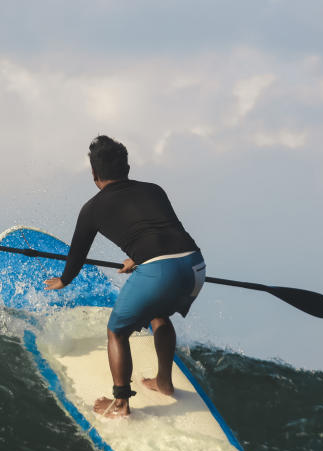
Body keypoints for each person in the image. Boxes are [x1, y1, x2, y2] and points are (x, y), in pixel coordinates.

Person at [44, 135, 206, 418]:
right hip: (194, 266)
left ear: (94, 174)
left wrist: (64, 280)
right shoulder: (154, 190)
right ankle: (164, 382)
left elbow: (77, 255)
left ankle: (120, 404)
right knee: (159, 315)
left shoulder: (92, 208)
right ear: (127, 167)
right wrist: (139, 259)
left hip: (160, 271)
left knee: (116, 332)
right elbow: (161, 232)